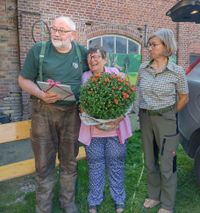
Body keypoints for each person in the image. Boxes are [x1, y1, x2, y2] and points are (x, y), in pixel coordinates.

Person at [18, 16, 88, 213]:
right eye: (54, 29)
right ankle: (43, 208)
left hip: (71, 115)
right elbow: (23, 80)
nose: (56, 33)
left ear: (73, 35)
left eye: (62, 30)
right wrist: (41, 93)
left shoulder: (82, 53)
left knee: (69, 161)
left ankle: (68, 204)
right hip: (43, 113)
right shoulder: (38, 50)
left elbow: (97, 71)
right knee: (43, 164)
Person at [135, 28, 189, 213]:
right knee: (150, 161)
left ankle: (167, 204)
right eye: (149, 45)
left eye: (154, 45)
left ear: (166, 46)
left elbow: (184, 97)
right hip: (146, 118)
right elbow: (138, 91)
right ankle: (153, 195)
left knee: (167, 164)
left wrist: (170, 113)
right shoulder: (143, 68)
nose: (150, 48)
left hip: (166, 119)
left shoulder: (177, 72)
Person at [78, 47, 133, 213]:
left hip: (114, 132)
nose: (92, 60)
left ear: (104, 59)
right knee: (95, 165)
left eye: (96, 57)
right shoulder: (85, 77)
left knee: (116, 164)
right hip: (93, 133)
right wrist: (87, 114)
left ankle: (119, 199)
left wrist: (119, 117)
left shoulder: (115, 74)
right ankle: (94, 200)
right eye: (89, 57)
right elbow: (81, 104)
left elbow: (127, 100)